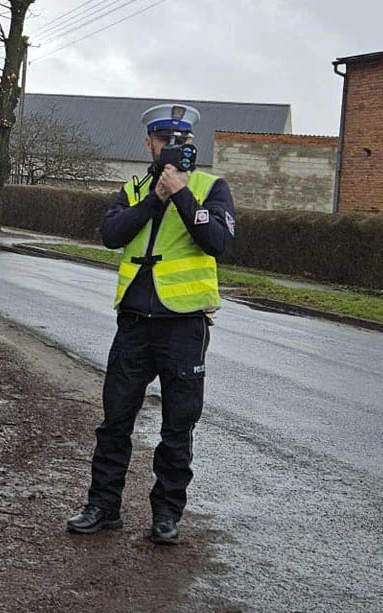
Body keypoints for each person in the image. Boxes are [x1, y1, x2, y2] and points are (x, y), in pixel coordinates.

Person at [66, 103, 236, 544]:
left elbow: (218, 240)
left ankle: (166, 515)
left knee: (178, 425)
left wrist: (181, 194)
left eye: (182, 142)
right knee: (115, 421)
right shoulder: (133, 188)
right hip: (135, 324)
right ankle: (103, 506)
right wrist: (153, 200)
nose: (173, 149)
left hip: (184, 326)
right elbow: (111, 234)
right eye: (165, 142)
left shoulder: (211, 187)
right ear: (150, 144)